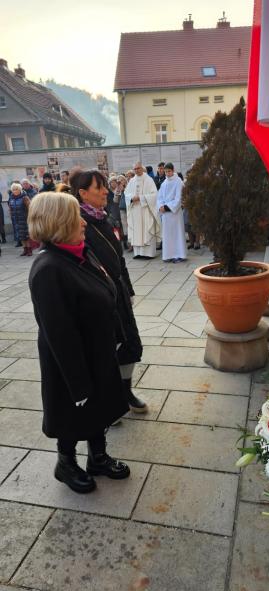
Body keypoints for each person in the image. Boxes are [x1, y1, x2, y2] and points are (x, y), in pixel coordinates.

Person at [28, 191, 130, 494]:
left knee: (100, 406)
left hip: (98, 350)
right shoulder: (49, 269)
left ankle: (98, 457)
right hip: (70, 359)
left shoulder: (81, 251)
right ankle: (66, 463)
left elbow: (106, 293)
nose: (83, 223)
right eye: (77, 217)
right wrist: (78, 383)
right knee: (73, 411)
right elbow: (59, 333)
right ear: (59, 222)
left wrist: (116, 337)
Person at [70, 169, 148, 414]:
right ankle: (108, 401)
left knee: (130, 344)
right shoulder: (78, 224)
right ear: (83, 194)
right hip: (99, 300)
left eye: (105, 186)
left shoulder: (103, 218)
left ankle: (125, 391)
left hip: (119, 293)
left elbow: (119, 260)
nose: (106, 191)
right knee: (105, 351)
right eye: (99, 187)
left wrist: (128, 289)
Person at [125, 161, 160, 259]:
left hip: (145, 210)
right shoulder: (132, 181)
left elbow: (154, 195)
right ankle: (138, 253)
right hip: (135, 210)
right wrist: (131, 198)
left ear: (142, 168)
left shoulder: (149, 180)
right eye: (135, 169)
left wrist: (141, 198)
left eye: (138, 168)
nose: (136, 170)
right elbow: (126, 194)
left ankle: (148, 253)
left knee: (146, 231)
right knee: (137, 231)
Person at [157, 163, 187, 263]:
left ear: (173, 170)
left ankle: (179, 254)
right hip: (166, 215)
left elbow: (179, 198)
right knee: (168, 235)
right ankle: (168, 255)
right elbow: (159, 197)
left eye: (169, 171)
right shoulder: (164, 183)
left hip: (175, 213)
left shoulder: (178, 182)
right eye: (165, 172)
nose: (167, 173)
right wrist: (160, 206)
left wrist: (167, 207)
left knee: (176, 234)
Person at [8, 183, 32, 256]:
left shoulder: (24, 197)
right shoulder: (11, 198)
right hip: (16, 220)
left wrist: (30, 217)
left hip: (24, 219)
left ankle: (29, 250)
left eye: (16, 189)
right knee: (20, 236)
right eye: (13, 190)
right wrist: (11, 215)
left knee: (26, 235)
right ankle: (24, 249)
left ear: (20, 189)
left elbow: (30, 208)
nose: (15, 191)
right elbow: (10, 208)